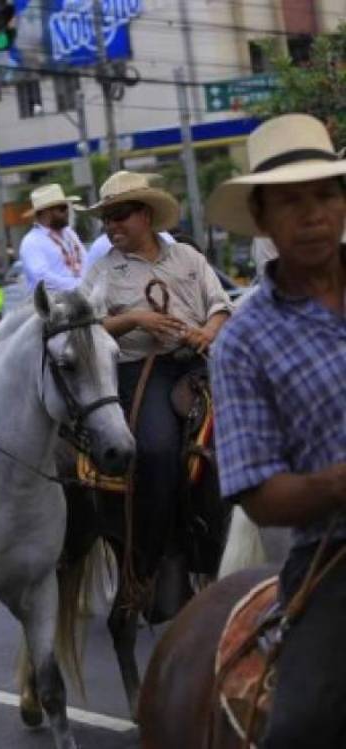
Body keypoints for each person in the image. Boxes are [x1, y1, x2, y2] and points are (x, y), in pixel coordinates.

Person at [205, 113, 346, 749]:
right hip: (337, 553)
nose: (313, 214)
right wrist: (339, 484)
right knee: (303, 728)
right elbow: (258, 494)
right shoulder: (244, 344)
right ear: (262, 222)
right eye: (291, 202)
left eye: (325, 194)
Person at [80, 170, 232, 565]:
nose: (112, 226)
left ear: (145, 215)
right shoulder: (101, 272)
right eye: (107, 218)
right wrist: (136, 320)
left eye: (120, 215)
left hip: (199, 363)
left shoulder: (187, 256)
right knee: (159, 449)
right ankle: (153, 555)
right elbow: (86, 328)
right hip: (143, 370)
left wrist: (207, 331)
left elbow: (220, 306)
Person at [18, 184, 87, 291]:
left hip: (81, 297)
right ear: (46, 212)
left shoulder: (69, 233)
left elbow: (85, 261)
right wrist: (77, 285)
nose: (67, 211)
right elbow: (41, 278)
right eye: (62, 208)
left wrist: (87, 283)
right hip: (53, 304)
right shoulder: (31, 242)